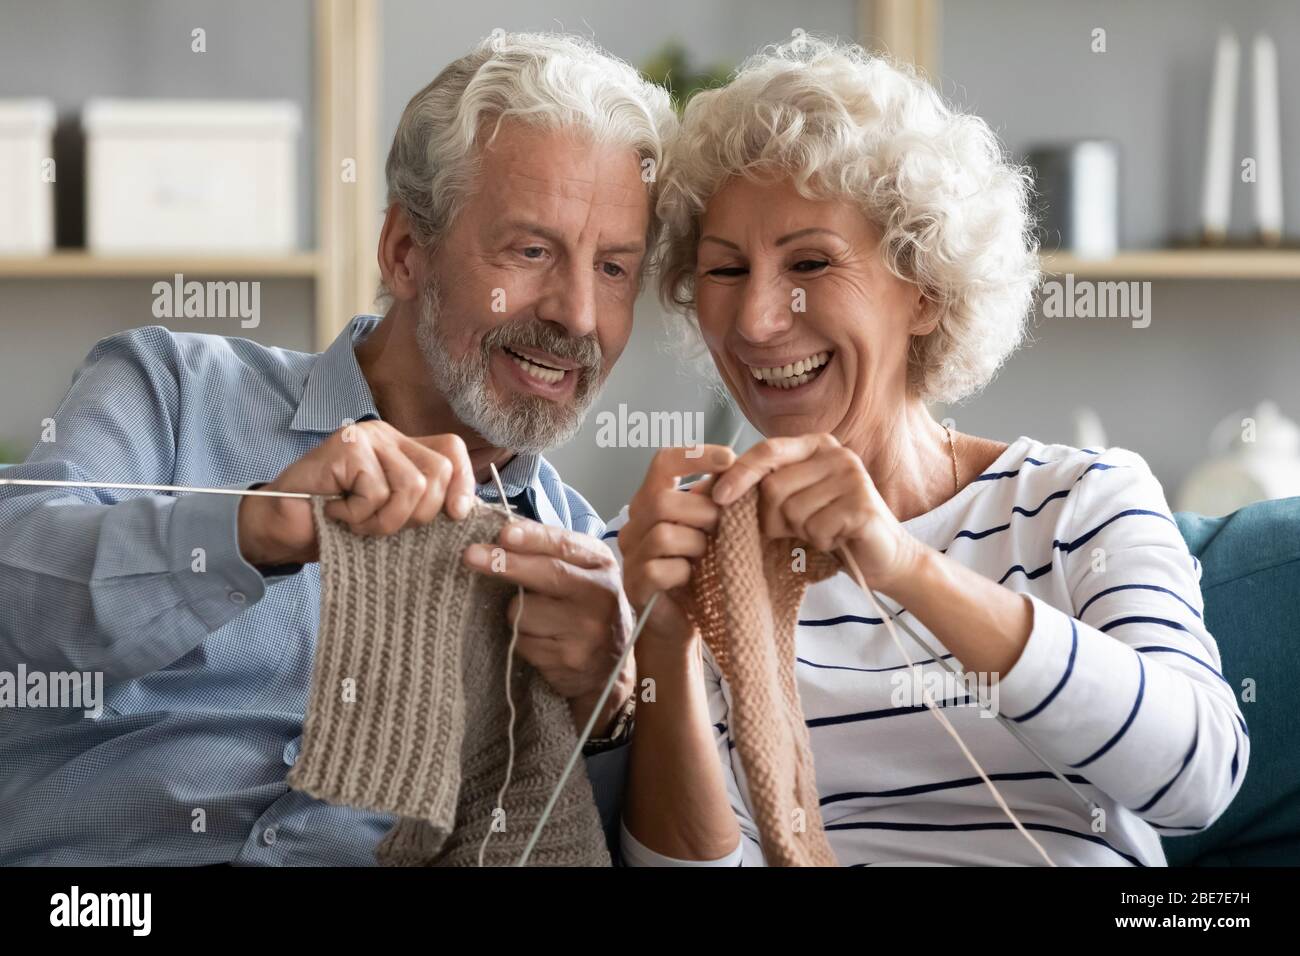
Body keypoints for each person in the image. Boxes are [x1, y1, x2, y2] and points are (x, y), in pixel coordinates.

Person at [0, 32, 675, 865]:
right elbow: (13, 594)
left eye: (614, 268)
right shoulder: (171, 387)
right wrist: (251, 530)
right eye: (531, 251)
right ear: (404, 252)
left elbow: (569, 834)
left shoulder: (589, 565)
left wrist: (605, 707)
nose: (577, 314)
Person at [613, 37, 1248, 866]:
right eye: (725, 270)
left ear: (925, 292)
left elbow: (1199, 778)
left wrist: (908, 569)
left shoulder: (1081, 502)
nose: (757, 320)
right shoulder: (689, 546)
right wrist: (663, 642)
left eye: (810, 262)